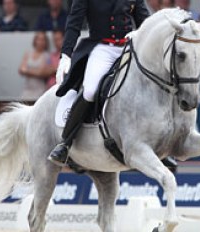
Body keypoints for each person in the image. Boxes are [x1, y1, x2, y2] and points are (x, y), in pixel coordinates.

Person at [47, 0, 150, 166]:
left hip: (128, 46)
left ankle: (160, 143)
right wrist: (66, 54)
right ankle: (66, 142)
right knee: (90, 91)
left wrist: (140, 33)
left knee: (152, 82)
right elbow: (74, 23)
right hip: (103, 48)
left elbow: (146, 21)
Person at [19, 31, 50, 102]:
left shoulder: (47, 55)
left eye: (43, 39)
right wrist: (35, 71)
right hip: (27, 91)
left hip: (40, 91)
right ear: (35, 40)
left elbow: (41, 73)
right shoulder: (28, 53)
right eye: (38, 39)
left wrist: (27, 70)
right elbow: (21, 70)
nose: (40, 42)